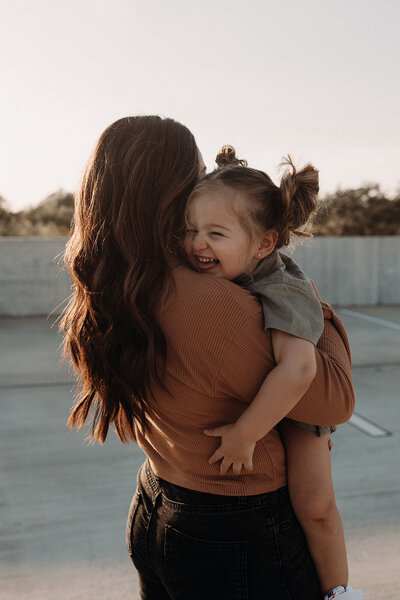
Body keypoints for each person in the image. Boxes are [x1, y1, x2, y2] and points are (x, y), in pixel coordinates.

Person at [61, 115, 357, 600]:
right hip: (230, 529)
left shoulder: (114, 284)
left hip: (157, 501)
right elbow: (333, 400)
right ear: (168, 190)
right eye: (194, 178)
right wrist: (312, 308)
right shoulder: (203, 302)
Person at [183, 146, 364, 600]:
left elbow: (300, 369)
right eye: (190, 230)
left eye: (215, 233)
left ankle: (339, 592)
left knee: (315, 505)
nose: (197, 244)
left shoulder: (282, 289)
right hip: (270, 391)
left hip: (299, 407)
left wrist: (245, 434)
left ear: (264, 242)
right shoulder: (232, 269)